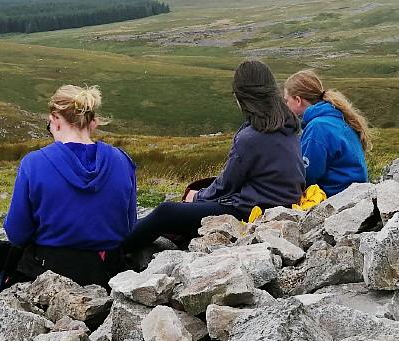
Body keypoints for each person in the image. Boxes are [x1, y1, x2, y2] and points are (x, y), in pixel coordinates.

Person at [0, 85, 137, 308]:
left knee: (8, 266)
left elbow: (16, 233)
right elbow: (128, 226)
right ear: (92, 122)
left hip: (49, 275)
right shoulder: (122, 160)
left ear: (55, 119)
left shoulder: (34, 163)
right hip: (107, 272)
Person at [123, 60, 304, 251]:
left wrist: (197, 197)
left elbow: (225, 186)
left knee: (166, 212)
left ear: (242, 97)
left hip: (249, 212)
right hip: (279, 205)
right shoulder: (287, 124)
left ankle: (113, 251)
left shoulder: (251, 137)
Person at [283, 69, 370, 196]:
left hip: (337, 198)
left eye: (287, 101)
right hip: (354, 193)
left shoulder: (317, 127)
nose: (286, 105)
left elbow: (305, 177)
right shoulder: (335, 116)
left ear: (298, 100)